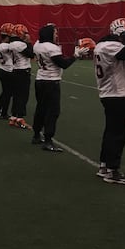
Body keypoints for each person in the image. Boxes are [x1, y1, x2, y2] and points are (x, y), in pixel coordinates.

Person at [94, 18, 125, 185]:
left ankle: (104, 165)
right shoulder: (112, 46)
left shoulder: (102, 45)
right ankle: (113, 171)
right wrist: (123, 34)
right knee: (119, 134)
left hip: (110, 94)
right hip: (118, 95)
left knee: (111, 131)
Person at [31, 23, 85, 152]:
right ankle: (48, 140)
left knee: (40, 109)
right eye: (54, 33)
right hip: (51, 81)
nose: (56, 35)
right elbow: (63, 64)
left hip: (40, 80)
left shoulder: (37, 45)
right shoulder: (52, 48)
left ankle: (36, 135)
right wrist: (75, 56)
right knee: (52, 112)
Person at [9, 24, 34, 129]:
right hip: (22, 71)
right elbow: (31, 54)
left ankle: (13, 117)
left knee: (16, 95)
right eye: (25, 33)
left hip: (15, 70)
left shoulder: (12, 43)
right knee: (23, 96)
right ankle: (20, 118)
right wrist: (28, 42)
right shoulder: (20, 44)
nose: (26, 35)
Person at [0, 23, 14, 119]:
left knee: (5, 92)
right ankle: (4, 113)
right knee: (7, 93)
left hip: (3, 69)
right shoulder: (5, 46)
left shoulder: (0, 45)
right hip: (7, 71)